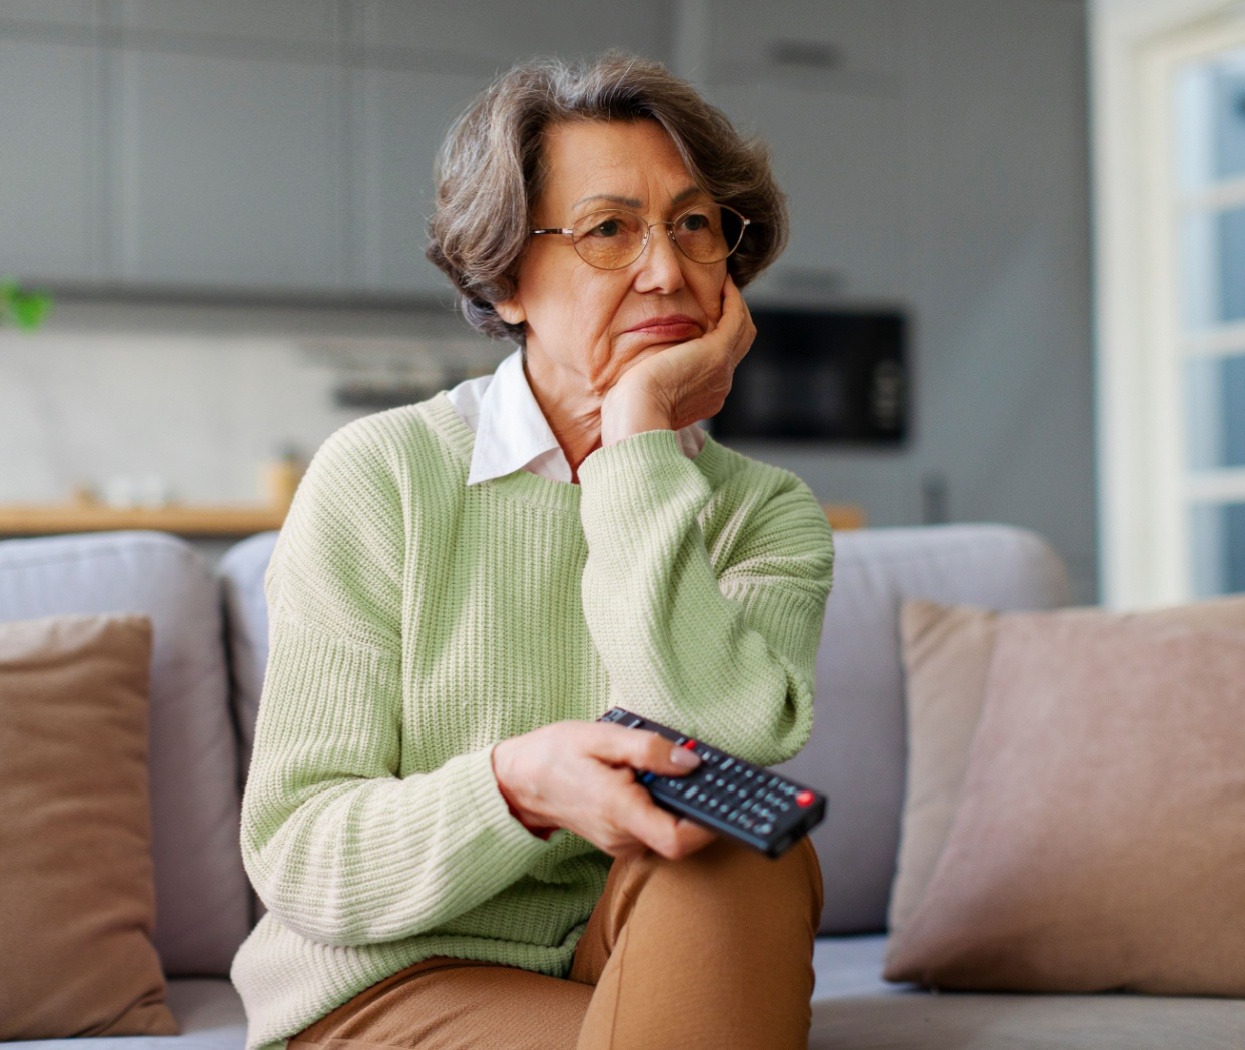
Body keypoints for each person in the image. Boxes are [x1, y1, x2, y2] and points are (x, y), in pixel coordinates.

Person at [230, 51, 835, 1050]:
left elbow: (718, 744)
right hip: (394, 977)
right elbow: (301, 852)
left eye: (693, 224)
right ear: (506, 277)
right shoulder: (381, 478)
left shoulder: (764, 516)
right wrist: (513, 787)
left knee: (742, 840)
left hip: (641, 957)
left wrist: (635, 440)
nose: (667, 269)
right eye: (609, 229)